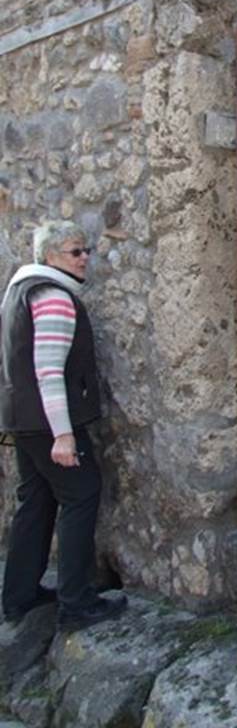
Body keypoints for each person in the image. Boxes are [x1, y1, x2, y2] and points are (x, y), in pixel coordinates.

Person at [0, 219, 126, 630]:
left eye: (86, 249)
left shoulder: (18, 291)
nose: (86, 257)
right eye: (76, 251)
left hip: (23, 420)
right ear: (50, 256)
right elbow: (48, 371)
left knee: (34, 502)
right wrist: (65, 434)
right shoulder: (54, 296)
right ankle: (77, 603)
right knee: (81, 494)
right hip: (48, 423)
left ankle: (19, 597)